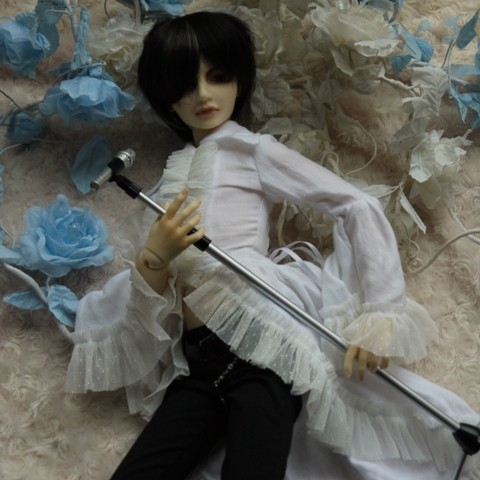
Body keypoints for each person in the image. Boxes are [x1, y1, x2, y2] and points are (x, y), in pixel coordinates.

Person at [64, 10, 479, 480]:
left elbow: (354, 204)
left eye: (218, 76)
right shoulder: (165, 184)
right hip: (200, 363)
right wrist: (154, 258)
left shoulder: (252, 151)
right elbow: (158, 296)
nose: (202, 95)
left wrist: (381, 312)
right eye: (183, 84)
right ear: (166, 98)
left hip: (266, 348)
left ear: (239, 81)